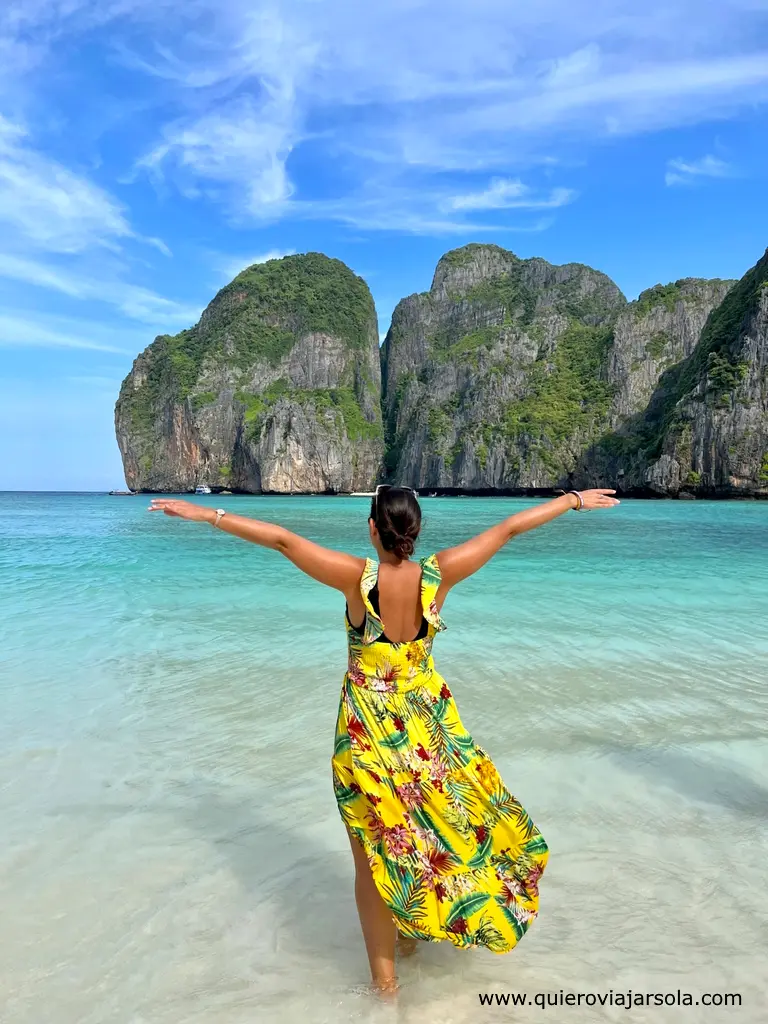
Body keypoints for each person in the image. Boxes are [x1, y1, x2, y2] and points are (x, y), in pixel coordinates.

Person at [149, 485, 619, 995]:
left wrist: (207, 515)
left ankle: (385, 985)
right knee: (430, 835)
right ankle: (417, 933)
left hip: (368, 739)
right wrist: (572, 501)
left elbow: (283, 540)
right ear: (415, 532)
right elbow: (507, 529)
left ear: (373, 528)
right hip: (429, 734)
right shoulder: (440, 574)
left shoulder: (358, 580)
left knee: (374, 856)